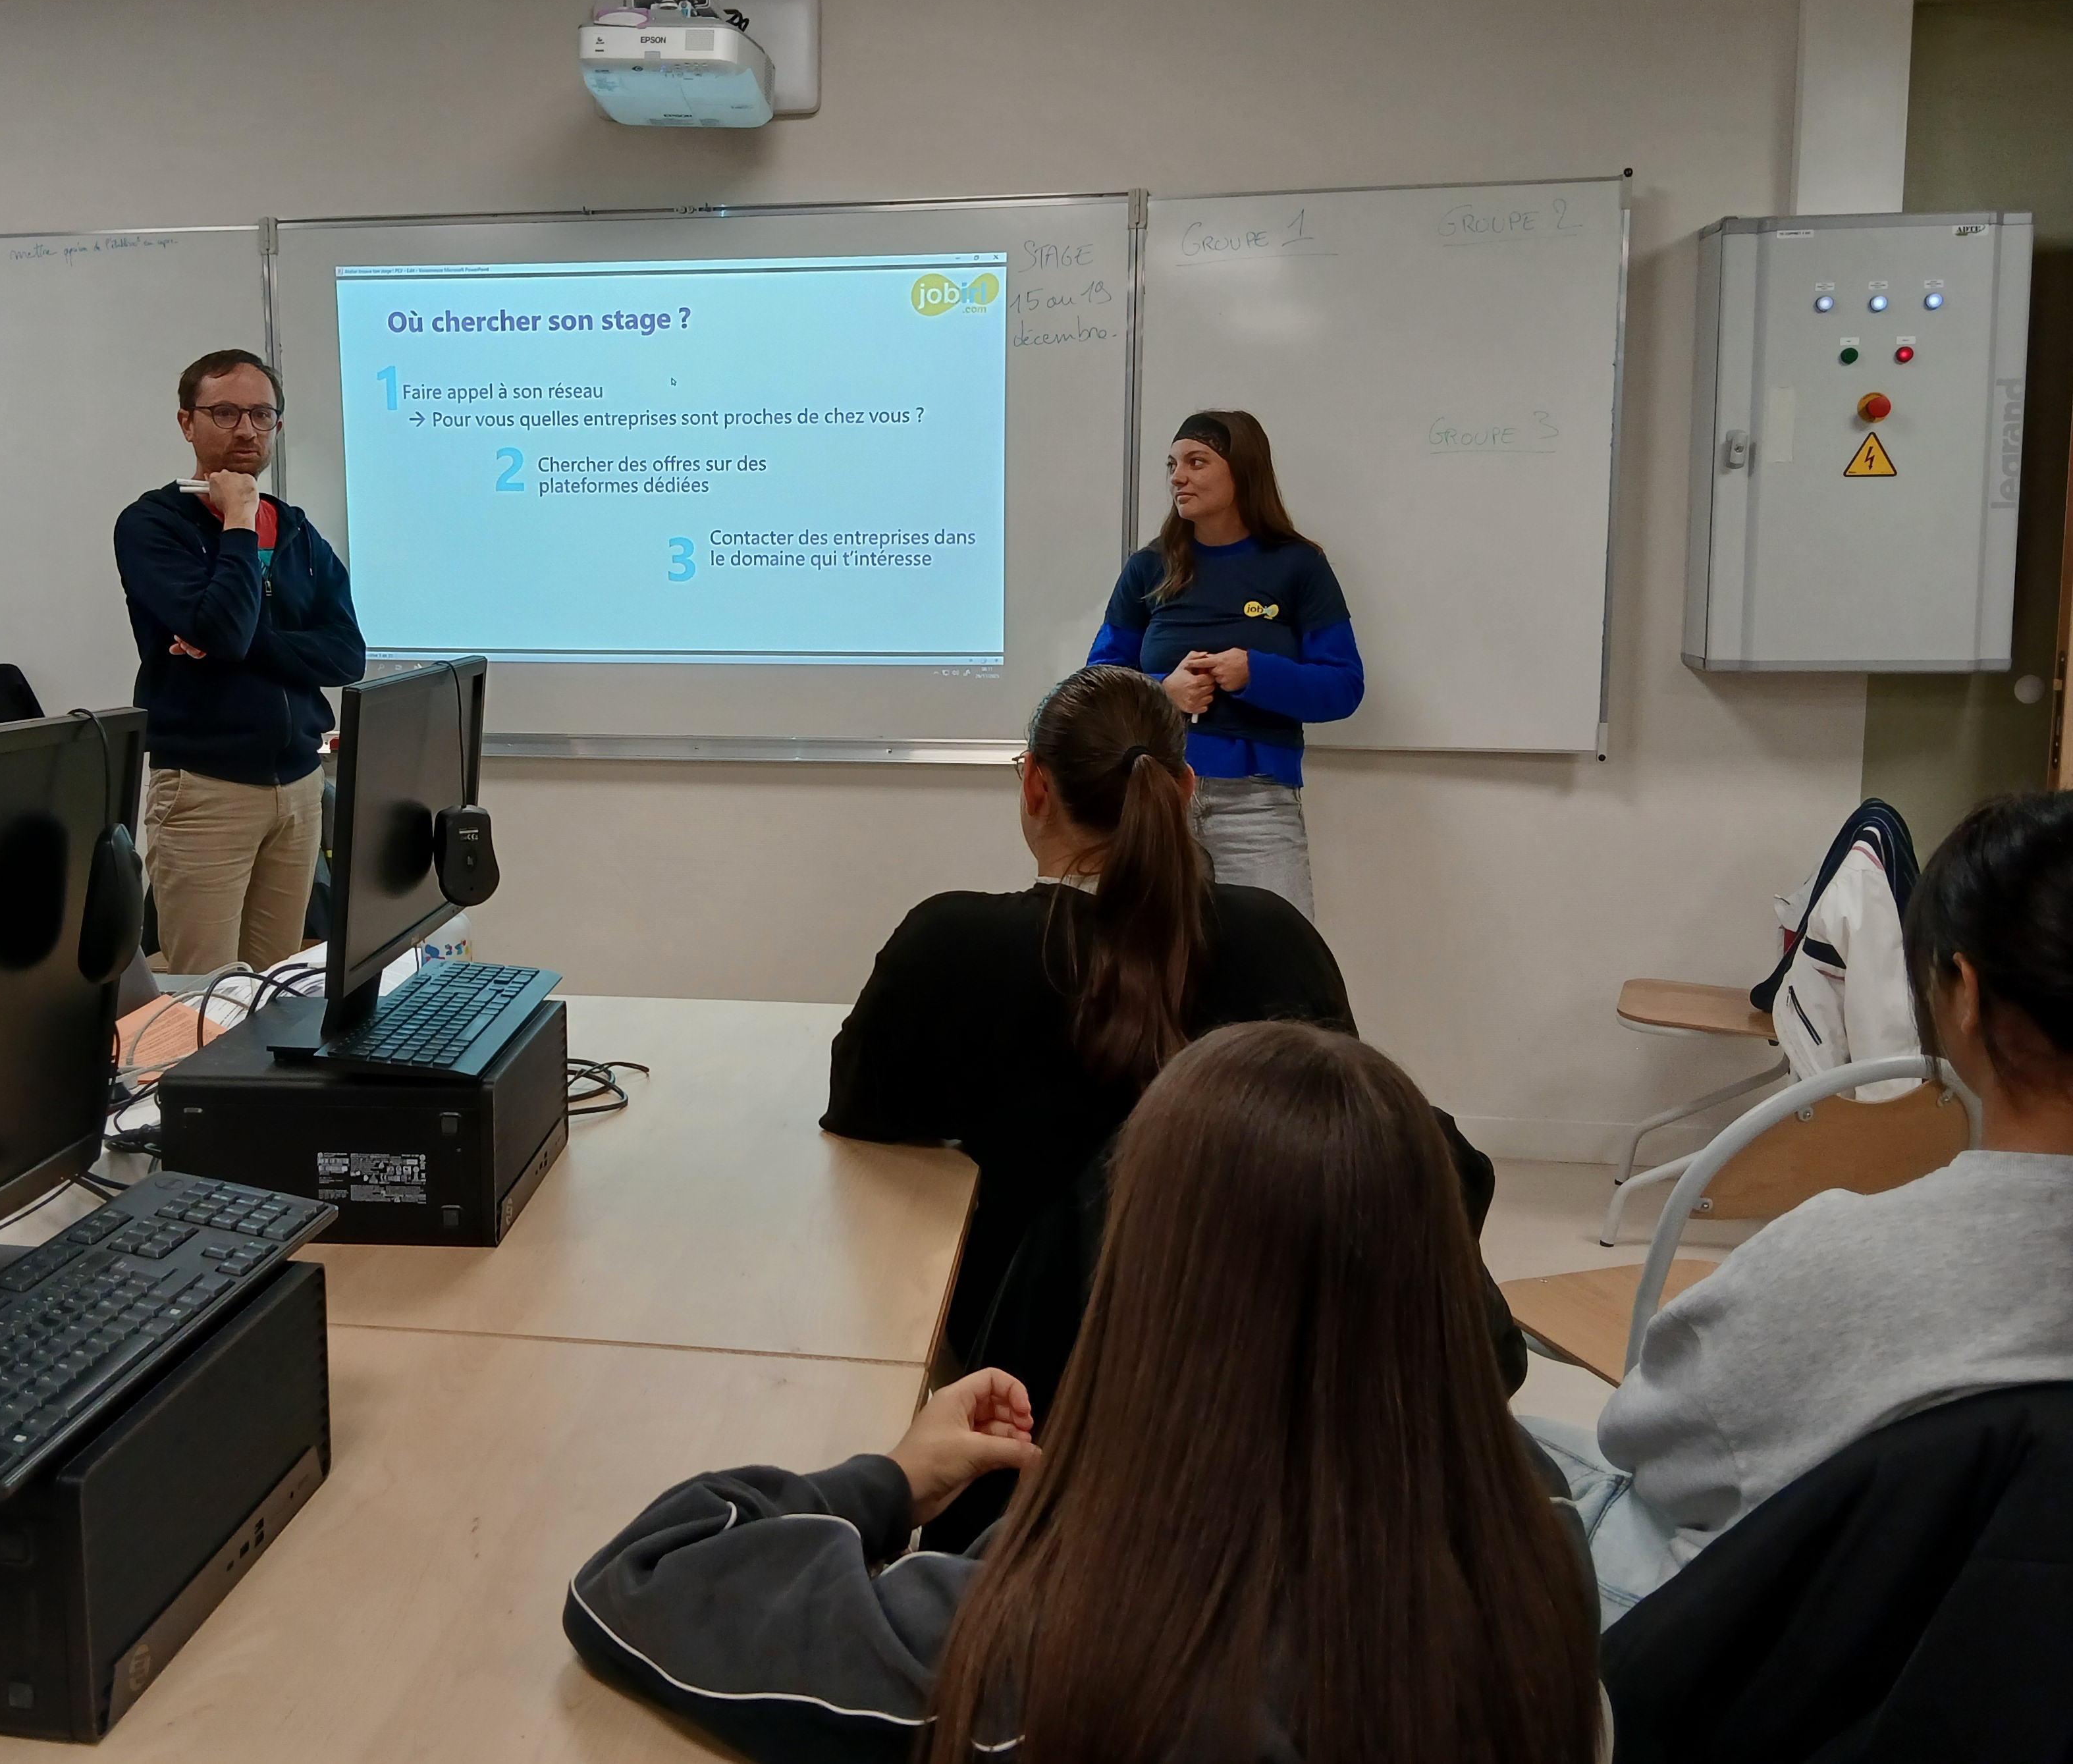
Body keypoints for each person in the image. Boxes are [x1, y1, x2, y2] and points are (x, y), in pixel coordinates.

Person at [568, 1022, 1607, 1764]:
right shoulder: (1538, 1535)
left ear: (1149, 1288)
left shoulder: (1053, 1643)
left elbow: (647, 1577)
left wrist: (892, 1480)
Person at [824, 663, 1503, 1386]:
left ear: (1036, 788)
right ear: (1184, 788)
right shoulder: (1277, 939)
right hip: (1261, 1373)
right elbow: (1346, 1152)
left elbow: (861, 1116)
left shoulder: (949, 946)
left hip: (1028, 1382)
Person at [1532, 790, 2073, 1624]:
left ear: (1965, 993)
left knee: (1466, 1454)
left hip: (1773, 1656)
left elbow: (1649, 1452)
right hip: (1998, 1662)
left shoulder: (1836, 1261)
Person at [113, 348, 365, 973]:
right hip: (205, 788)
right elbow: (224, 631)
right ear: (187, 422)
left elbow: (346, 656)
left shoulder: (298, 531)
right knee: (207, 994)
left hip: (299, 787)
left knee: (276, 987)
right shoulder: (152, 525)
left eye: (262, 414)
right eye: (225, 413)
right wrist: (241, 519)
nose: (247, 430)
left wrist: (237, 642)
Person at [1088, 409, 1360, 919]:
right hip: (1154, 797)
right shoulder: (1149, 567)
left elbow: (1344, 686)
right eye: (1172, 465)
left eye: (1197, 462)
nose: (1178, 477)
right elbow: (1095, 686)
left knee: (1276, 954)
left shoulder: (1299, 566)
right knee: (1145, 955)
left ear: (1243, 471)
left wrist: (1257, 673)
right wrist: (1161, 692)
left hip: (1258, 804)